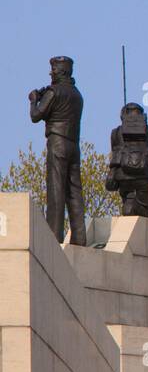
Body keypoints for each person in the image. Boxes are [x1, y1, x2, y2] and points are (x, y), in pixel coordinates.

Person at [29, 55, 86, 245]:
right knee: (75, 191)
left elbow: (36, 116)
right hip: (74, 146)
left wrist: (33, 100)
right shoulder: (77, 95)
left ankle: (54, 239)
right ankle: (80, 237)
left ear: (60, 71)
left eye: (53, 69)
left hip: (58, 143)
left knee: (56, 190)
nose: (50, 72)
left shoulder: (53, 92)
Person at [105, 103, 148, 217]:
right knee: (145, 209)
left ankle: (129, 208)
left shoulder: (116, 132)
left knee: (126, 202)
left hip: (123, 178)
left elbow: (114, 153)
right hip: (144, 177)